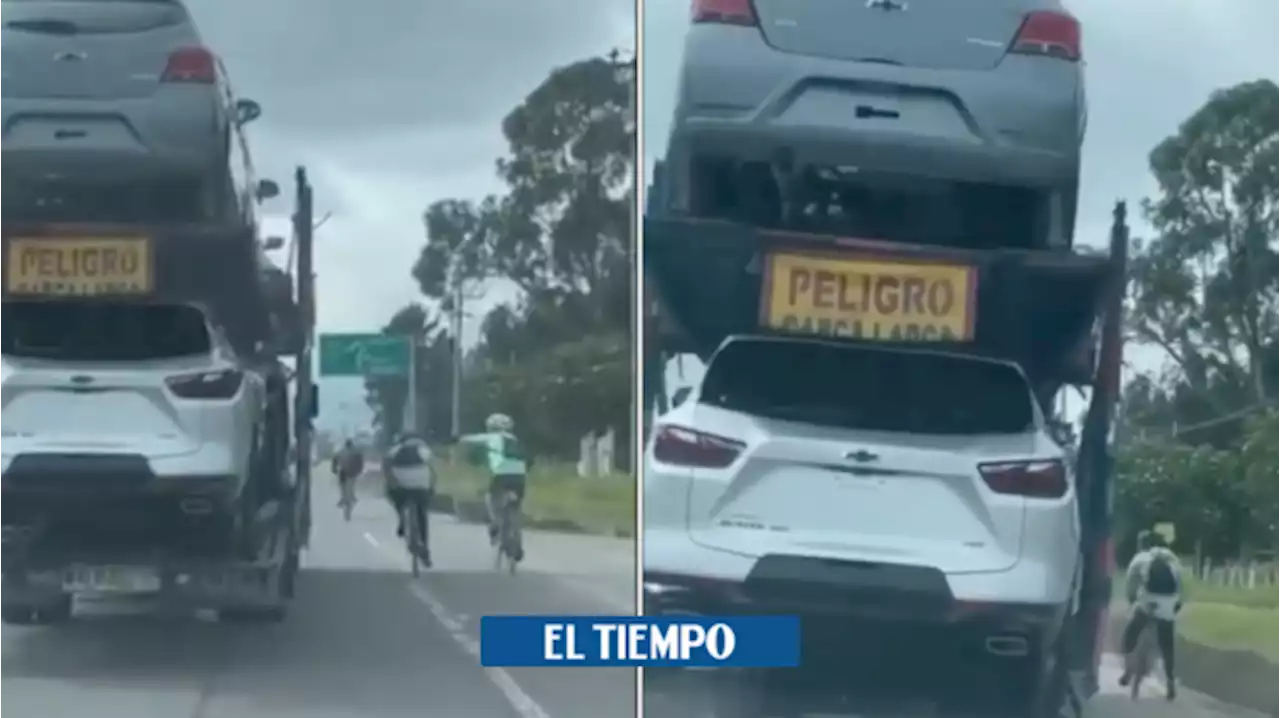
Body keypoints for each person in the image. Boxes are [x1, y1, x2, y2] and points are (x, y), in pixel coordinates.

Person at [1118, 530, 1182, 700]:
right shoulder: (1170, 557)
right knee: (1167, 644)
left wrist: (1132, 603)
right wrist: (1176, 605)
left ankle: (1128, 670)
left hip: (1149, 602)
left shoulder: (1138, 558)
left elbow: (1130, 586)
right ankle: (1170, 680)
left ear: (1140, 545)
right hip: (1169, 603)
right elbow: (1180, 583)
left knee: (1129, 635)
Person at [455, 413, 528, 561]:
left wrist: (458, 439)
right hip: (520, 475)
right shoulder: (514, 440)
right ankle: (516, 535)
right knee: (516, 505)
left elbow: (472, 440)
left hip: (501, 475)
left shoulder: (492, 437)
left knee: (492, 499)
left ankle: (495, 524)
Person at [383, 431, 435, 567]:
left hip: (401, 483)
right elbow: (433, 468)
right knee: (422, 514)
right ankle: (425, 549)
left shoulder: (395, 449)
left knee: (392, 494)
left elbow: (386, 467)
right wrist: (432, 486)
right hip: (421, 483)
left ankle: (401, 518)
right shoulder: (423, 449)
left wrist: (392, 481)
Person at [332, 439, 364, 512]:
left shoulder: (342, 451)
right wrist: (359, 470)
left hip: (345, 472)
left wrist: (334, 469)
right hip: (350, 473)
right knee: (348, 487)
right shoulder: (355, 452)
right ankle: (348, 498)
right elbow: (361, 462)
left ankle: (346, 498)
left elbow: (335, 460)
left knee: (345, 487)